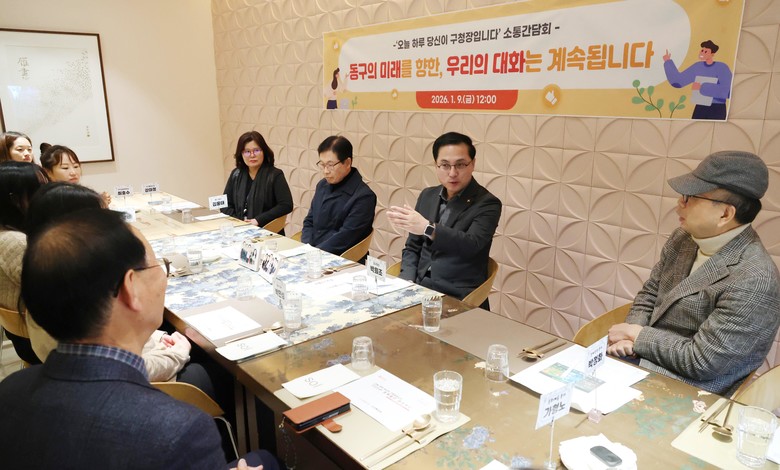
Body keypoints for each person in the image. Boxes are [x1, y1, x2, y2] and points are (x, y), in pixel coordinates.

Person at [0, 208, 278, 469]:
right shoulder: (177, 431)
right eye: (159, 266)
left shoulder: (9, 391)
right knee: (266, 458)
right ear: (130, 288)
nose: (165, 278)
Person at [607, 151, 780, 396]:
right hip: (640, 360)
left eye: (690, 197)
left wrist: (638, 335)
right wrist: (630, 336)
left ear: (725, 214)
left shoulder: (755, 278)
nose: (680, 203)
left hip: (690, 389)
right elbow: (650, 293)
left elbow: (701, 361)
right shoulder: (684, 238)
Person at [22, 182, 212, 391]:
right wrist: (175, 354)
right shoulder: (81, 294)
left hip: (131, 363)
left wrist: (159, 337)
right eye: (104, 218)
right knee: (209, 367)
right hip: (135, 385)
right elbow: (115, 367)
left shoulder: (49, 274)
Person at [387, 132, 501, 309]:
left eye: (460, 165)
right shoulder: (428, 195)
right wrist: (407, 282)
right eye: (445, 165)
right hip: (420, 286)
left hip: (459, 295)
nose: (453, 173)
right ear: (436, 165)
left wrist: (428, 228)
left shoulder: (488, 203)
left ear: (473, 164)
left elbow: (472, 245)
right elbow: (413, 247)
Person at [0, 161, 48, 364]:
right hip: (38, 340)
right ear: (15, 199)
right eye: (40, 189)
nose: (47, 195)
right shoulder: (15, 242)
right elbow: (53, 292)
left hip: (27, 333)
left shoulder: (9, 232)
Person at [302, 135, 376, 256]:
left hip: (342, 258)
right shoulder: (322, 185)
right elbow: (309, 221)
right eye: (322, 164)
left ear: (347, 163)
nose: (325, 171)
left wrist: (314, 254)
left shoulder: (364, 197)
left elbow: (345, 238)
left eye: (330, 165)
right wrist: (306, 247)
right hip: (313, 253)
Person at [222, 131, 292, 232]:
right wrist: (239, 222)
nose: (252, 155)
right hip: (239, 229)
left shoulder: (275, 175)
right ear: (241, 154)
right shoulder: (236, 174)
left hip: (267, 230)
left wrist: (258, 220)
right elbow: (225, 204)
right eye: (247, 151)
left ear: (264, 152)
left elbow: (286, 205)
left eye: (256, 150)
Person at [663, 40, 732, 120]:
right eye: (702, 50)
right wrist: (668, 62)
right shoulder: (698, 66)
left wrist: (701, 87)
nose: (702, 53)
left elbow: (727, 91)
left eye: (706, 51)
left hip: (717, 107)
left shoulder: (722, 67)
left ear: (712, 54)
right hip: (700, 106)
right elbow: (678, 82)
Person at [38, 143, 112, 206]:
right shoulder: (53, 198)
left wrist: (99, 200)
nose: (73, 172)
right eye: (65, 168)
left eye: (76, 166)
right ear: (48, 172)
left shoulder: (78, 193)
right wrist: (100, 204)